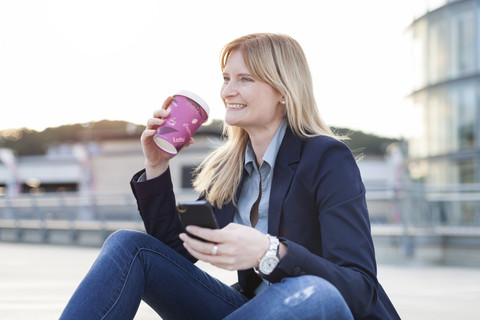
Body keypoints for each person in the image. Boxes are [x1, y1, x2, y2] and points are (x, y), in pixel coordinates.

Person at [60, 33, 400, 320]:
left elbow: (360, 288)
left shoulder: (327, 158)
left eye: (245, 79)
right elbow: (174, 255)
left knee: (313, 292)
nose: (227, 92)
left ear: (283, 91)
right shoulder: (230, 169)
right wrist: (157, 166)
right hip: (254, 309)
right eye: (226, 79)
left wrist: (270, 252)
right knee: (128, 246)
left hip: (319, 309)